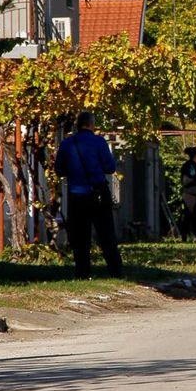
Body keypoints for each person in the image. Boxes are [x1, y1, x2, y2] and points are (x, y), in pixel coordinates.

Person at [55, 111, 123, 279]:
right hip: (98, 192)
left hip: (76, 195)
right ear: (91, 124)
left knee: (79, 236)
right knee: (106, 233)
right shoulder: (99, 142)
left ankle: (82, 272)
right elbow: (110, 167)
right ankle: (115, 271)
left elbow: (59, 170)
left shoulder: (67, 144)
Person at [179, 146, 196, 242]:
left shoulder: (194, 165)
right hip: (190, 194)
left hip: (195, 194)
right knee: (189, 215)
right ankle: (185, 237)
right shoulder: (190, 165)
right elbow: (188, 179)